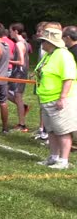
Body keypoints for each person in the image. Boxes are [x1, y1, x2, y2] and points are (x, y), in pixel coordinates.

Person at [35, 26, 77, 169]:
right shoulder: (50, 54)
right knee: (51, 131)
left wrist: (62, 98)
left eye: (44, 41)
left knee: (63, 131)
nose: (42, 43)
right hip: (47, 99)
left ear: (51, 42)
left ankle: (63, 160)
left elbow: (68, 77)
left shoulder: (63, 55)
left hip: (58, 99)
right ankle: (53, 157)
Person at [8, 23, 30, 132]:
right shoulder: (24, 43)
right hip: (19, 72)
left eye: (11, 30)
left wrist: (8, 61)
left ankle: (22, 124)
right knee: (5, 91)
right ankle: (23, 107)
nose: (9, 33)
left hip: (19, 73)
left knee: (17, 97)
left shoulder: (19, 44)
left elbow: (21, 61)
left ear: (16, 31)